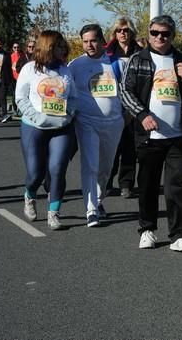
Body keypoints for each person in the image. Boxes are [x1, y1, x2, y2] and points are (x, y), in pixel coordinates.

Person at [120, 14, 182, 252]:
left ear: (172, 36)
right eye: (155, 33)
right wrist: (142, 115)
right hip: (149, 137)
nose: (160, 37)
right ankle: (147, 230)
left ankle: (178, 235)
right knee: (147, 185)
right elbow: (125, 92)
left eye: (165, 34)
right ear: (148, 34)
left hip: (177, 136)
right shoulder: (138, 60)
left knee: (176, 185)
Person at [15, 30, 75, 230]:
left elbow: (73, 97)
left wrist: (69, 114)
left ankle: (54, 212)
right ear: (48, 46)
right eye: (58, 45)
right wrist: (36, 117)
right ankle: (30, 195)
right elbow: (20, 98)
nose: (63, 49)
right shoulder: (29, 69)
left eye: (62, 45)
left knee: (58, 169)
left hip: (61, 127)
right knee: (35, 173)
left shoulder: (64, 70)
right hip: (34, 127)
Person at [69, 24, 125, 227]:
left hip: (113, 123)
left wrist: (126, 116)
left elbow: (127, 92)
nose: (89, 45)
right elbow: (65, 91)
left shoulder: (117, 63)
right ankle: (91, 210)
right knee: (90, 165)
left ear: (102, 41)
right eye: (85, 41)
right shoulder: (75, 65)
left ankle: (99, 200)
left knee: (105, 168)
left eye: (93, 40)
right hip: (86, 121)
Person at [105, 18, 143, 198]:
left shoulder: (142, 53)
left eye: (126, 30)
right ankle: (106, 180)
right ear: (114, 33)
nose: (123, 33)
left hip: (134, 106)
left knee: (130, 147)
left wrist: (133, 109)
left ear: (132, 32)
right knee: (112, 146)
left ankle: (126, 183)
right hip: (112, 106)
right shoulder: (107, 53)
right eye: (119, 30)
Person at [0, 38, 14, 123]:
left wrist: (10, 80)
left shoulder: (6, 55)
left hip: (2, 79)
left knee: (2, 97)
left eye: (0, 44)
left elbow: (9, 68)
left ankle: (4, 114)